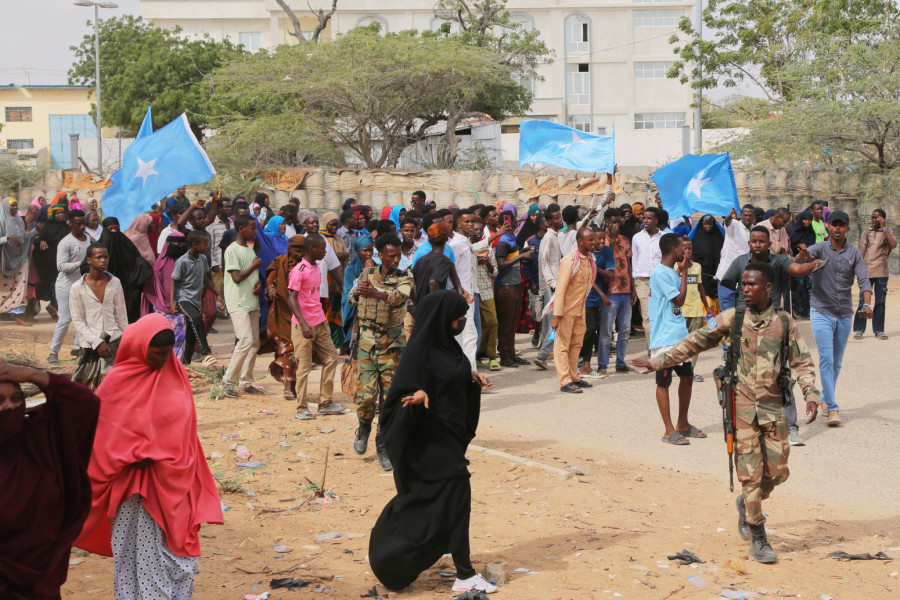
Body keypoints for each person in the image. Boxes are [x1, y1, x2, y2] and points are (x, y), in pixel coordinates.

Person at [633, 262, 820, 563]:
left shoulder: (784, 322)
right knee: (751, 476)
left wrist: (811, 393)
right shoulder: (733, 318)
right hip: (742, 409)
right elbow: (694, 342)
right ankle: (758, 535)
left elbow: (802, 361)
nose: (745, 289)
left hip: (773, 410)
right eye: (743, 284)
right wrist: (659, 361)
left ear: (768, 287)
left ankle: (747, 503)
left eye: (752, 285)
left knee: (777, 473)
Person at [75, 314, 223, 598]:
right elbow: (101, 435)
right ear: (138, 349)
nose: (163, 360)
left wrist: (159, 453)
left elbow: (184, 431)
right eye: (157, 354)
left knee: (173, 556)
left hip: (171, 482)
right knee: (135, 555)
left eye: (168, 353)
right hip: (132, 489)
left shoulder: (175, 375)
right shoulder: (117, 382)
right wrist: (131, 454)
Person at [369, 290, 496, 595]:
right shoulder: (421, 352)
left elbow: (448, 380)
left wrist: (470, 380)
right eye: (458, 316)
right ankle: (464, 573)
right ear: (443, 318)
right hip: (427, 444)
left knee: (439, 501)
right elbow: (399, 399)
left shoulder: (447, 346)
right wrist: (419, 394)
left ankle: (389, 553)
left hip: (446, 438)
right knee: (455, 496)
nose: (462, 320)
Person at [0, 362, 100, 600]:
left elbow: (85, 404)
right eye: (0, 401)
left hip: (39, 578)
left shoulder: (40, 437)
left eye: (16, 398)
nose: (9, 407)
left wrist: (34, 375)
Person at [801, 211, 872, 427]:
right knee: (826, 359)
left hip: (844, 314)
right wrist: (803, 256)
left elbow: (864, 280)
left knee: (837, 362)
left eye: (842, 225)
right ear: (828, 227)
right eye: (834, 225)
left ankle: (824, 399)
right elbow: (801, 258)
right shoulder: (819, 248)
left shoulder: (854, 253)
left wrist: (867, 303)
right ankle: (832, 407)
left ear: (848, 229)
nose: (838, 229)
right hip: (821, 310)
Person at [349, 233, 412, 470]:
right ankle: (363, 426)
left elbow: (398, 298)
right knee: (365, 396)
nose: (396, 260)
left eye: (399, 255)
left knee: (389, 401)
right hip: (366, 343)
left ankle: (383, 444)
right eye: (392, 256)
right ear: (380, 255)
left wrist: (377, 293)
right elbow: (350, 298)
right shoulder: (366, 275)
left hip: (392, 346)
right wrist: (357, 292)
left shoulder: (405, 276)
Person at [647, 233, 704, 444]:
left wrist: (681, 271)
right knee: (664, 382)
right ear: (674, 250)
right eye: (683, 248)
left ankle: (683, 424)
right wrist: (685, 272)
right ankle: (669, 430)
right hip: (664, 338)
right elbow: (679, 300)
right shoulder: (660, 273)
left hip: (678, 335)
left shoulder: (671, 272)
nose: (685, 251)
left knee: (687, 377)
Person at [288, 234, 348, 420]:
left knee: (331, 358)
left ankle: (325, 402)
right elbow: (291, 299)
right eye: (322, 248)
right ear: (311, 249)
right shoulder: (300, 270)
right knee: (304, 366)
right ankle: (301, 407)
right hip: (303, 325)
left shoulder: (317, 267)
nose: (325, 251)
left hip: (320, 321)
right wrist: (304, 324)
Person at [69, 243, 128, 390]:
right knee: (86, 387)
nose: (103, 260)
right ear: (89, 260)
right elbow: (78, 320)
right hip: (90, 345)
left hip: (113, 340)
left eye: (105, 257)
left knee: (113, 386)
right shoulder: (77, 287)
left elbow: (121, 315)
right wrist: (97, 343)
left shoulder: (115, 282)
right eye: (99, 257)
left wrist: (126, 340)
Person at [222, 214, 264, 397]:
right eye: (252, 228)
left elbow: (250, 278)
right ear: (241, 229)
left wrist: (258, 285)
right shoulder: (232, 250)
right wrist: (255, 267)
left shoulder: (250, 249)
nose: (255, 232)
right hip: (237, 301)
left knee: (254, 342)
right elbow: (237, 277)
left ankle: (245, 382)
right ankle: (227, 381)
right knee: (245, 340)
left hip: (251, 301)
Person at [551, 228, 596, 393]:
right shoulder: (570, 260)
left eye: (594, 239)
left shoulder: (590, 260)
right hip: (566, 311)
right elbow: (560, 290)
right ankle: (565, 381)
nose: (594, 242)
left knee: (576, 344)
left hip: (580, 309)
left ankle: (574, 376)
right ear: (580, 242)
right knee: (562, 345)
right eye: (590, 240)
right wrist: (556, 316)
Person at [170, 230, 221, 368]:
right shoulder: (182, 261)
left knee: (191, 331)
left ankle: (185, 363)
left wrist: (216, 292)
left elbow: (205, 278)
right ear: (194, 245)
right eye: (205, 244)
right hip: (182, 298)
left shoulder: (203, 259)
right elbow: (174, 281)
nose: (207, 247)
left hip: (195, 300)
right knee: (196, 318)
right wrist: (172, 302)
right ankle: (205, 351)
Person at [48, 210, 90, 364]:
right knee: (65, 320)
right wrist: (81, 263)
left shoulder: (89, 240)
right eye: (78, 224)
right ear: (70, 224)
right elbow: (61, 266)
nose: (81, 226)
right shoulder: (66, 242)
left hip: (83, 285)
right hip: (65, 287)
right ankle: (53, 352)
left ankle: (78, 348)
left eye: (83, 223)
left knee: (84, 318)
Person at [494, 211, 534, 368]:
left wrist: (522, 252)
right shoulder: (503, 241)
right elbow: (501, 264)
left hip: (514, 284)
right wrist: (522, 256)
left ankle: (511, 353)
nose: (518, 221)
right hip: (505, 286)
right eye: (515, 219)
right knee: (506, 324)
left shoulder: (511, 239)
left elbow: (511, 257)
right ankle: (505, 356)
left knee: (512, 323)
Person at [410, 223, 464, 337]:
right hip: (433, 314)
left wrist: (418, 304)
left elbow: (410, 283)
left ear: (429, 239)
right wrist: (437, 309)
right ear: (446, 239)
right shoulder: (444, 261)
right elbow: (433, 282)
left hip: (421, 312)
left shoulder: (422, 259)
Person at [141, 232, 189, 361]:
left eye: (182, 244)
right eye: (176, 244)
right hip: (164, 308)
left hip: (182, 307)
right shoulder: (160, 265)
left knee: (179, 341)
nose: (179, 247)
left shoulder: (185, 262)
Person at [853, 208, 895, 340]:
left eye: (877, 217)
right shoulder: (867, 233)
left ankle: (879, 330)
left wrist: (884, 227)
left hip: (882, 271)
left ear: (883, 219)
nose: (874, 220)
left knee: (880, 301)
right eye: (872, 217)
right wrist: (860, 271)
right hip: (867, 271)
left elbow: (893, 244)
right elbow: (862, 252)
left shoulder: (888, 232)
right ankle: (859, 329)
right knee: (863, 300)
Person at [578, 228, 614, 378]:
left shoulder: (605, 252)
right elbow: (587, 277)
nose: (597, 242)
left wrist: (594, 267)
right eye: (594, 239)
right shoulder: (583, 254)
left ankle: (586, 362)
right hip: (585, 296)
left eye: (600, 239)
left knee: (596, 329)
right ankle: (583, 363)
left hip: (597, 299)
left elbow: (610, 274)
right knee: (589, 329)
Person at [677, 237, 714, 378]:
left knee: (695, 342)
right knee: (680, 341)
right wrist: (682, 267)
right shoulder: (676, 267)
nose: (687, 251)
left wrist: (707, 306)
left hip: (696, 309)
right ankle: (680, 368)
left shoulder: (697, 267)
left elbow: (700, 287)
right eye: (684, 248)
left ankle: (691, 370)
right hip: (681, 310)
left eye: (689, 248)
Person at [0, 197, 39, 325]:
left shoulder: (19, 220)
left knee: (21, 286)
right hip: (5, 259)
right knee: (3, 287)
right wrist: (7, 238)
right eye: (12, 206)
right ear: (6, 206)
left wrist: (35, 231)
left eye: (16, 205)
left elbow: (24, 238)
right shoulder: (1, 220)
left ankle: (18, 317)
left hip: (21, 258)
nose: (15, 208)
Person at [534, 207, 563, 369]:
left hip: (552, 285)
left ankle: (543, 355)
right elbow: (544, 262)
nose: (560, 220)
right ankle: (543, 354)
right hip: (551, 286)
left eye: (560, 217)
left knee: (549, 323)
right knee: (555, 322)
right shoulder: (548, 238)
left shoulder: (554, 236)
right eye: (557, 218)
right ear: (549, 222)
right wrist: (553, 284)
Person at [631, 206, 664, 346]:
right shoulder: (637, 238)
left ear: (656, 220)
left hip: (660, 281)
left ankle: (662, 347)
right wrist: (635, 282)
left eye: (649, 218)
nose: (645, 220)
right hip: (642, 281)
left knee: (660, 315)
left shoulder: (664, 237)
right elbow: (635, 260)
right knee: (647, 317)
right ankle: (652, 350)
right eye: (644, 218)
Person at [473, 220, 500, 370]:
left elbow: (495, 271)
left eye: (479, 230)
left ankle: (491, 356)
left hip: (486, 290)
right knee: (477, 325)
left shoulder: (488, 250)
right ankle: (477, 355)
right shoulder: (467, 250)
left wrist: (488, 263)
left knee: (492, 322)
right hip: (472, 291)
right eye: (475, 230)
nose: (477, 232)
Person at [688, 215, 725, 308]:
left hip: (717, 273)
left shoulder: (719, 236)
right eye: (705, 224)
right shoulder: (697, 237)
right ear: (701, 224)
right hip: (702, 274)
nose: (707, 226)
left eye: (710, 224)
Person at [522, 213, 546, 348]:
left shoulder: (552, 239)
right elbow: (525, 264)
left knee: (548, 314)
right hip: (536, 283)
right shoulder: (530, 241)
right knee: (537, 313)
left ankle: (546, 340)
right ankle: (537, 331)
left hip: (548, 283)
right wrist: (531, 282)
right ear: (542, 226)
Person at [788, 211, 817, 319]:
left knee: (809, 287)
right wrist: (798, 246)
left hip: (808, 263)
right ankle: (799, 311)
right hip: (797, 264)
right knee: (798, 288)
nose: (807, 222)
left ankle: (808, 311)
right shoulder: (794, 231)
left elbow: (813, 246)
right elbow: (791, 245)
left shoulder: (811, 232)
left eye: (809, 220)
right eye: (805, 219)